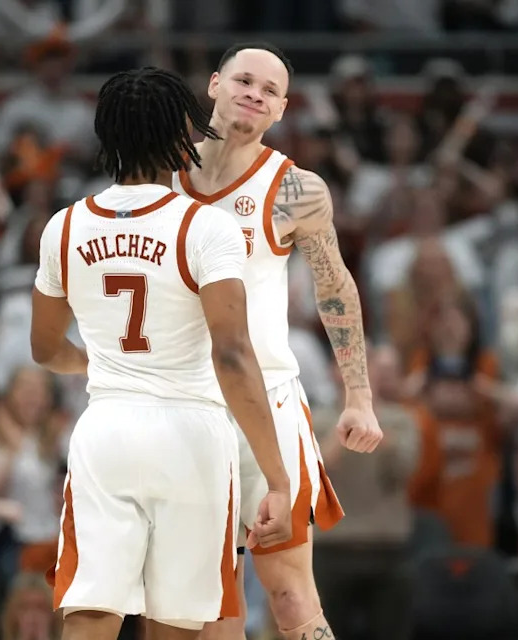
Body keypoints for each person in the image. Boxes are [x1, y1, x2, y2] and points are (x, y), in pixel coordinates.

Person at [30, 66, 293, 640]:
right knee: (175, 621)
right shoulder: (207, 228)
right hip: (191, 435)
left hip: (107, 427)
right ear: (183, 138)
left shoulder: (63, 227)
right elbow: (232, 356)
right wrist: (276, 478)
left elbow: (45, 348)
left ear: (107, 137)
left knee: (92, 610)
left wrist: (97, 364)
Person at [170, 42, 383, 639]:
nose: (253, 94)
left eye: (268, 90)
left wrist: (359, 396)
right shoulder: (161, 172)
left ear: (282, 110)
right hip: (184, 403)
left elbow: (335, 288)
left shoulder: (298, 190)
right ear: (213, 84)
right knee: (209, 605)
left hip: (267, 402)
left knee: (290, 595)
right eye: (243, 80)